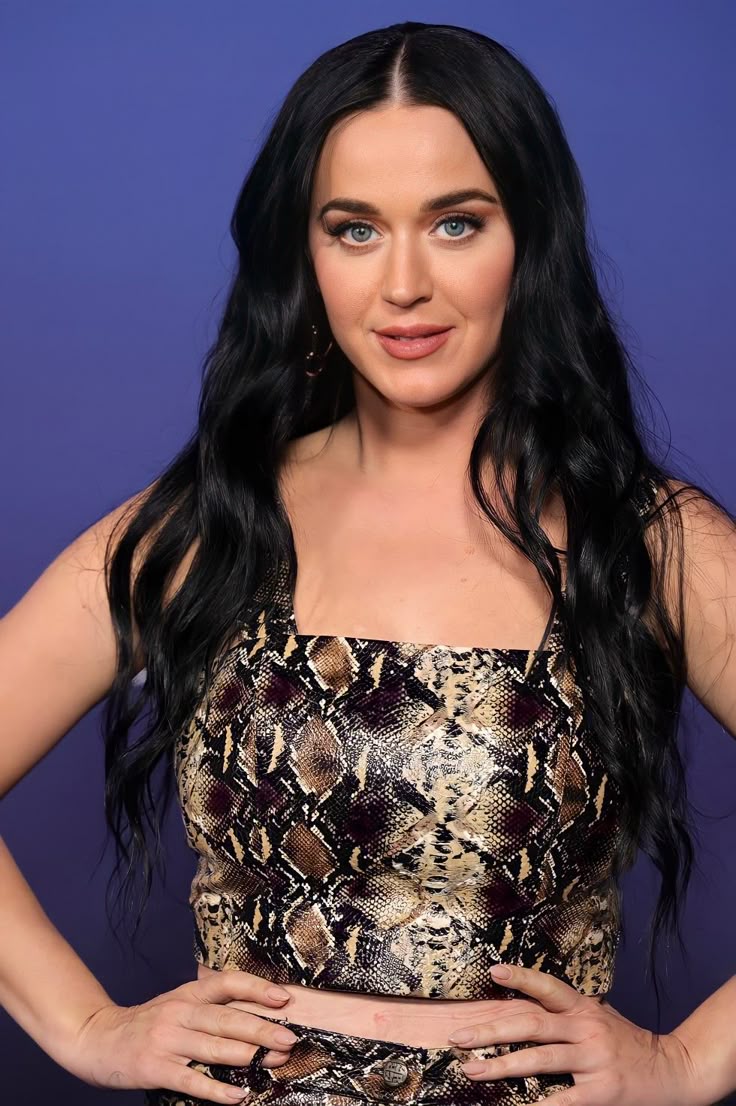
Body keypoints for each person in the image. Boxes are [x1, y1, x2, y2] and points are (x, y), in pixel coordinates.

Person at [1, 18, 735, 1106]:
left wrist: (687, 1061)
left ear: (531, 239)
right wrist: (87, 1025)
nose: (403, 284)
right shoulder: (210, 525)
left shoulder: (648, 542)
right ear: (303, 254)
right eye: (354, 229)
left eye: (455, 223)